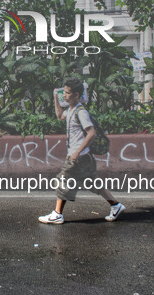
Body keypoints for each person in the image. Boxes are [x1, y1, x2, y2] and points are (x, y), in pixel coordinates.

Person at [38, 78, 125, 224]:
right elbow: (60, 116)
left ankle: (57, 214)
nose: (64, 95)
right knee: (93, 183)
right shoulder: (70, 110)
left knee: (63, 180)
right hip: (83, 157)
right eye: (64, 92)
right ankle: (115, 205)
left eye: (67, 93)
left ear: (77, 95)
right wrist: (55, 97)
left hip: (78, 157)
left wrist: (77, 152)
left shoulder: (81, 112)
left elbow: (91, 133)